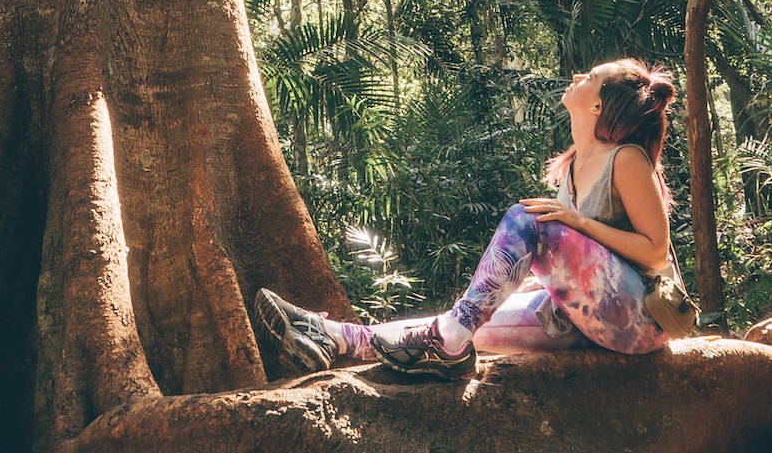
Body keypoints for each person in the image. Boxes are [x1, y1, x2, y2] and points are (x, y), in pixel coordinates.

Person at [255, 58, 679, 382]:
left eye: (589, 78)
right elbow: (577, 259)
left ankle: (450, 344)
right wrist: (539, 275)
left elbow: (655, 250)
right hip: (577, 318)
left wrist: (576, 222)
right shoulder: (572, 167)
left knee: (524, 217)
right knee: (462, 323)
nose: (577, 78)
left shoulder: (626, 159)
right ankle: (331, 338)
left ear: (599, 105)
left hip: (638, 321)